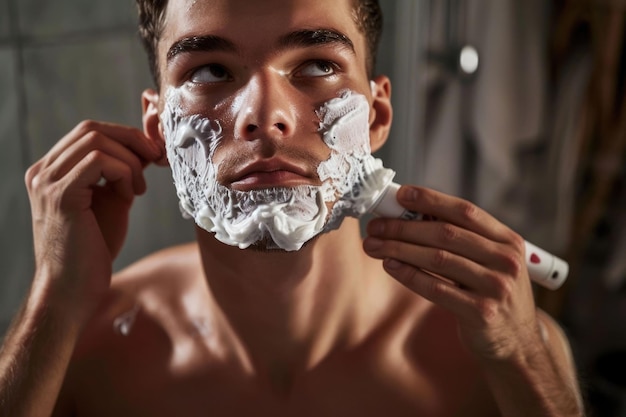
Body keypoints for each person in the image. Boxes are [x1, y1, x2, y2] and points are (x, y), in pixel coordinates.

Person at [0, 0, 584, 416]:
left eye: (317, 65)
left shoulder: (494, 356)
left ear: (376, 116)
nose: (265, 114)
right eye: (210, 71)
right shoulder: (84, 355)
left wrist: (524, 364)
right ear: (160, 128)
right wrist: (52, 302)